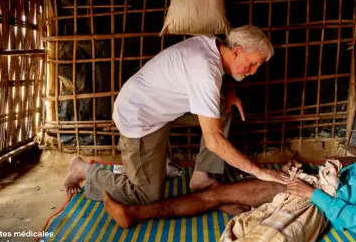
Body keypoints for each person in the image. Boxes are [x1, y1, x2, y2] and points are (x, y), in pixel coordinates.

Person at [63, 25, 289, 207]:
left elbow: (195, 77)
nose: (253, 72)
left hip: (160, 105)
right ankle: (83, 170)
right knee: (146, 196)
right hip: (140, 118)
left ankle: (200, 177)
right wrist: (258, 172)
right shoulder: (205, 72)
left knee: (223, 108)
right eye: (251, 64)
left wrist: (227, 92)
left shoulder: (213, 45)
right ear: (237, 51)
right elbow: (213, 140)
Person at [102, 122, 356, 237]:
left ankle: (135, 215)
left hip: (318, 206)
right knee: (229, 197)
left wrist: (311, 193)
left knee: (215, 195)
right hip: (313, 187)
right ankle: (242, 206)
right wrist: (309, 172)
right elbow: (345, 172)